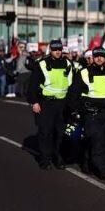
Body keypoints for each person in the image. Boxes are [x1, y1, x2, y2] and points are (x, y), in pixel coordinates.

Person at [67, 47, 105, 179]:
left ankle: (86, 162)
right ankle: (102, 168)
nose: (99, 58)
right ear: (92, 58)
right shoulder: (84, 72)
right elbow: (73, 93)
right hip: (91, 113)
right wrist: (75, 111)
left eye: (102, 56)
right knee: (98, 140)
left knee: (98, 140)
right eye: (97, 56)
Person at [27, 40, 73, 170]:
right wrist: (34, 102)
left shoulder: (67, 64)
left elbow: (72, 84)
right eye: (55, 49)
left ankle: (58, 157)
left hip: (62, 104)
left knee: (60, 133)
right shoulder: (41, 64)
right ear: (50, 50)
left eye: (59, 49)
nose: (58, 52)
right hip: (46, 103)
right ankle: (45, 159)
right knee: (45, 132)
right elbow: (33, 85)